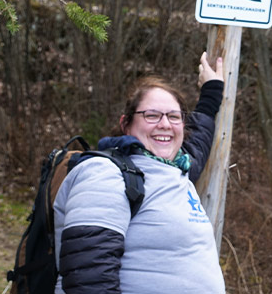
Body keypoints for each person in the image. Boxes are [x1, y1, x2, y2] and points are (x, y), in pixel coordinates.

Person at [52, 52, 227, 293]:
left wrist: (211, 91)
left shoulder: (176, 169)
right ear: (126, 124)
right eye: (152, 115)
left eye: (174, 116)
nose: (165, 124)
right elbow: (89, 278)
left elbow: (198, 139)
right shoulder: (105, 174)